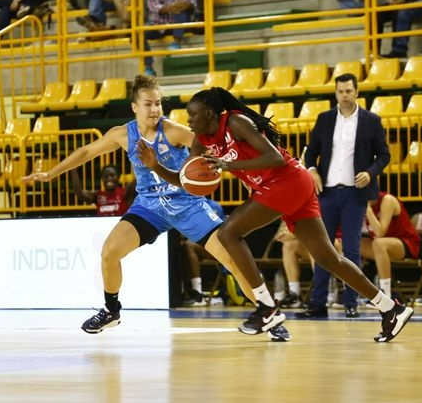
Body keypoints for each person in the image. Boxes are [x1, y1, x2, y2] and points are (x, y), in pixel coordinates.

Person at [22, 76, 288, 338]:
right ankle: (111, 311)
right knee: (109, 252)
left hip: (188, 205)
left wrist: (247, 181)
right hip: (149, 207)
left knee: (232, 258)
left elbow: (217, 148)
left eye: (158, 103)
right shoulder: (122, 134)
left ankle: (269, 315)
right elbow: (85, 153)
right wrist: (50, 174)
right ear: (134, 107)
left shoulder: (173, 130)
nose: (155, 109)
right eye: (148, 104)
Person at [143, 86, 412, 341]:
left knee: (229, 232)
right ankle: (391, 308)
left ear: (210, 114)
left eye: (192, 114)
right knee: (328, 258)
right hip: (280, 187)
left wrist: (228, 164)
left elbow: (276, 158)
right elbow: (187, 180)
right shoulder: (202, 142)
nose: (187, 119)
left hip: (289, 179)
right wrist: (156, 166)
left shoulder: (236, 123)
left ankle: (267, 306)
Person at [300, 73, 391, 319]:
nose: (345, 96)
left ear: (357, 92)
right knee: (322, 248)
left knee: (351, 248)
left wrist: (370, 173)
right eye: (341, 91)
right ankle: (317, 303)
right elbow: (311, 153)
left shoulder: (371, 120)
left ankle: (352, 301)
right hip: (327, 192)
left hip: (355, 192)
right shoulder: (325, 118)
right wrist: (312, 170)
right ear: (336, 93)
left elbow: (384, 155)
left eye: (349, 91)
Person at [143, 0, 196, 75]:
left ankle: (176, 42)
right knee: (138, 33)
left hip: (180, 22)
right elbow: (153, 7)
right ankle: (149, 66)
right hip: (159, 24)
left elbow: (191, 3)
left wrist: (181, 5)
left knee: (182, 11)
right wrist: (172, 7)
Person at [363, 191, 421, 299]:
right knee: (351, 244)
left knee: (379, 244)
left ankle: (386, 294)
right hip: (380, 245)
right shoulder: (357, 202)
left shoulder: (387, 200)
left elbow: (380, 233)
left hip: (406, 243)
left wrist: (368, 210)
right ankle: (351, 292)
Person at [275, 220, 314, 308]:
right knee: (288, 245)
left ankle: (320, 292)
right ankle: (294, 295)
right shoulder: (290, 211)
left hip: (331, 244)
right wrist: (283, 233)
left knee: (314, 246)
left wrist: (294, 234)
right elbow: (278, 236)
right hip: (305, 245)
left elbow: (318, 232)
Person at [69, 163, 134, 217]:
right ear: (102, 178)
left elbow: (137, 182)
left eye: (112, 175)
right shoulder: (97, 195)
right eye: (106, 176)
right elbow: (79, 193)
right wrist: (73, 167)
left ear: (118, 177)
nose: (109, 178)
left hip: (121, 229)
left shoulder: (125, 192)